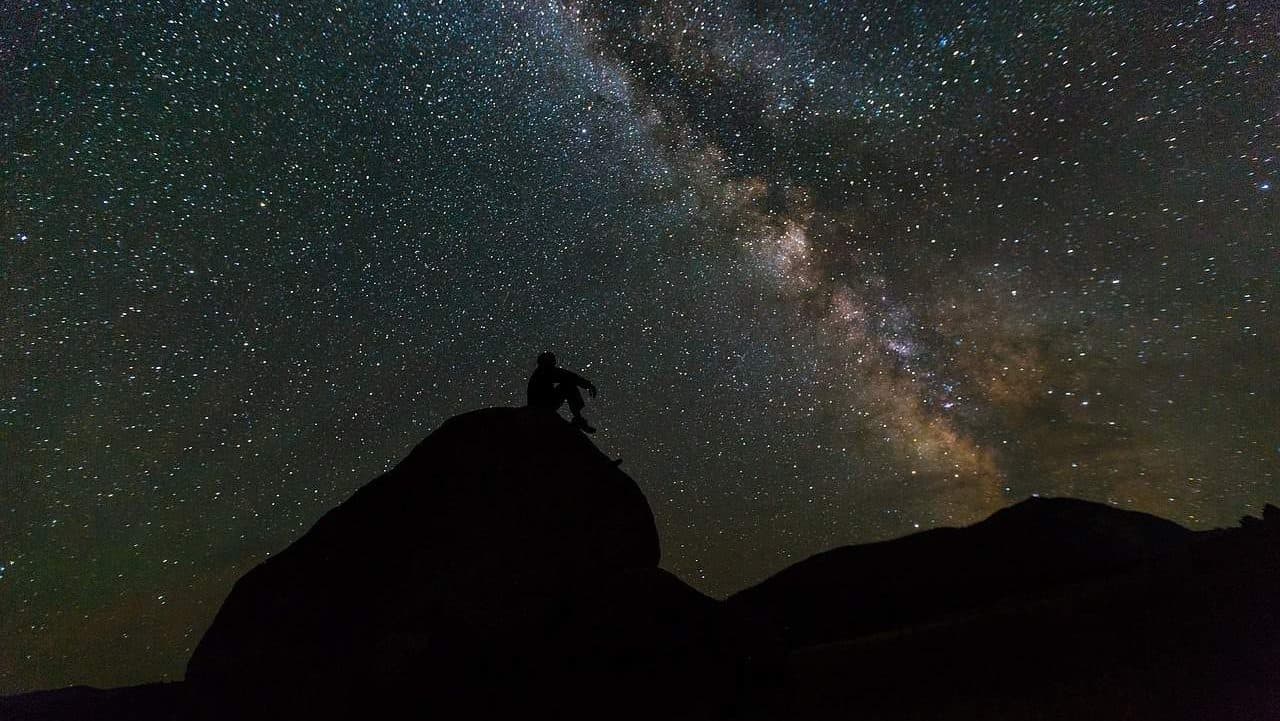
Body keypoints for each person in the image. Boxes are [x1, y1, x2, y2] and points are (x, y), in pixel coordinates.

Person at [527, 351, 597, 433]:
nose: (553, 363)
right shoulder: (545, 371)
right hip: (542, 406)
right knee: (568, 385)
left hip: (540, 405)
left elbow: (566, 375)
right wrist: (588, 385)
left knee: (568, 384)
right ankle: (578, 419)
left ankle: (578, 419)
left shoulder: (540, 372)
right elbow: (568, 376)